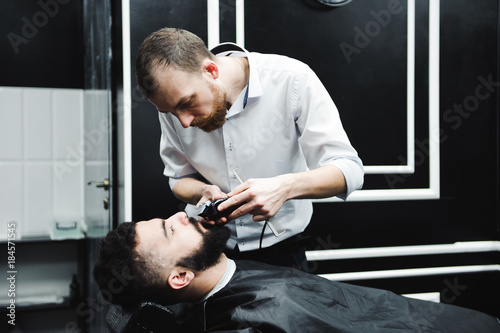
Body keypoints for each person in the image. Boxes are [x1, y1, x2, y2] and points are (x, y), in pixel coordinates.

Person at [135, 28, 364, 270]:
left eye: (186, 104)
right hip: (207, 252)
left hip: (283, 254)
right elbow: (178, 178)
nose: (183, 122)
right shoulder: (177, 101)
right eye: (170, 112)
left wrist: (284, 188)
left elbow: (349, 170)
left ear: (211, 71)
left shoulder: (292, 79)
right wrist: (202, 191)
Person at [94, 214, 500, 333]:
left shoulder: (228, 270)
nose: (182, 215)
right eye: (171, 229)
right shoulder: (250, 322)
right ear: (180, 277)